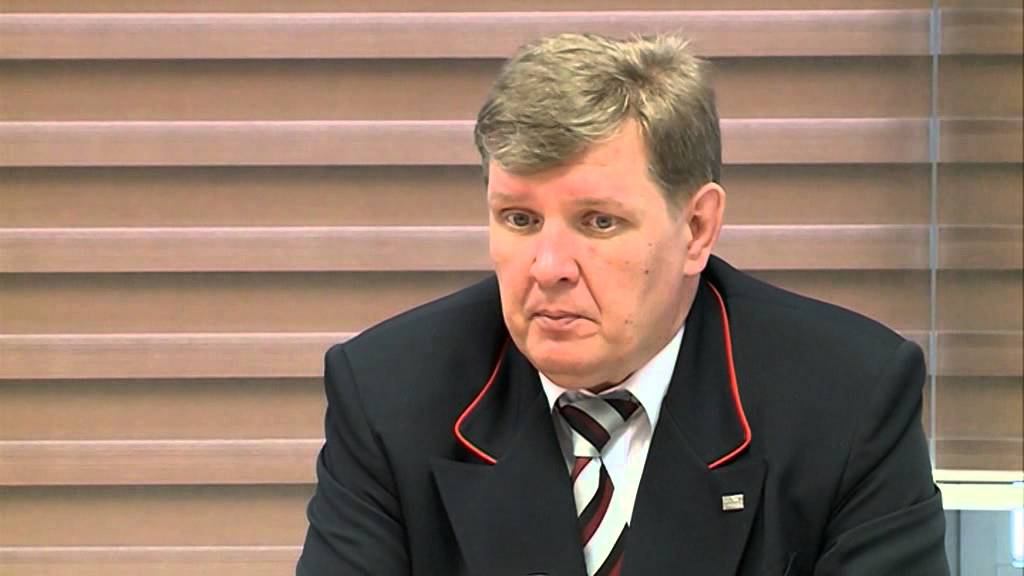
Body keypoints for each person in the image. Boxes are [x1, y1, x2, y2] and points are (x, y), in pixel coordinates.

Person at [296, 33, 949, 575]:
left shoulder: (847, 399)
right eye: (520, 219)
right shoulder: (390, 395)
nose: (548, 268)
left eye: (598, 222)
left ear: (697, 228)